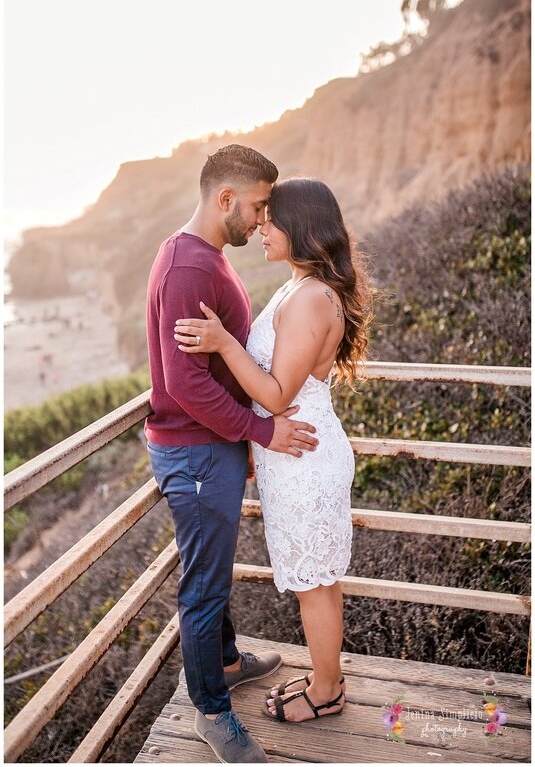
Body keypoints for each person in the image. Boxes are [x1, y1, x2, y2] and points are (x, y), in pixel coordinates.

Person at [174, 177, 372, 724]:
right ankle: (325, 678)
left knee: (315, 586)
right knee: (319, 582)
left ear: (302, 226)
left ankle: (327, 693)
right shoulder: (301, 286)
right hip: (295, 452)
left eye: (271, 218)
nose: (260, 226)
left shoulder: (310, 298)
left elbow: (277, 393)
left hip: (302, 455)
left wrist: (222, 344)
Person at [145, 146, 319, 762]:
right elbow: (186, 383)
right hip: (193, 455)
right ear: (225, 200)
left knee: (212, 574)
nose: (260, 219)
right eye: (256, 206)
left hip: (209, 447)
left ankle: (225, 660)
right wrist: (261, 432)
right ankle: (212, 715)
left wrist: (239, 437)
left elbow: (207, 371)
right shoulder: (190, 268)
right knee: (204, 588)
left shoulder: (201, 256)